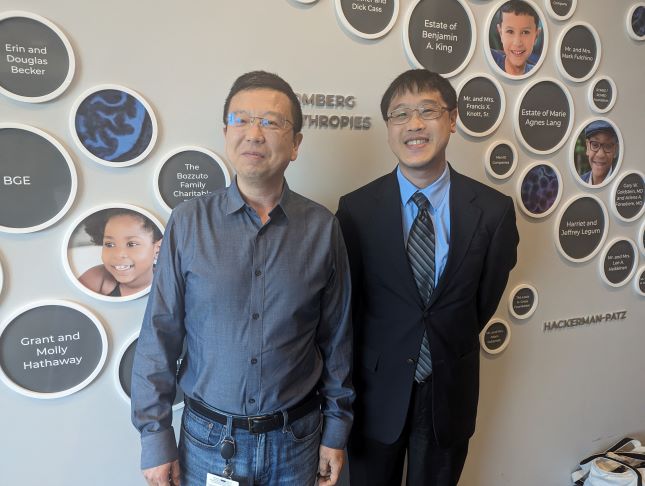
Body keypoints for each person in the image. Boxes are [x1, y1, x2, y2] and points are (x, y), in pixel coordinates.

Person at [131, 71, 354, 486]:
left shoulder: (323, 228)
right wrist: (155, 436)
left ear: (296, 144)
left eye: (271, 122)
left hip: (298, 439)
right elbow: (159, 335)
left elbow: (336, 339)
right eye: (241, 120)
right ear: (225, 133)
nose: (254, 133)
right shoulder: (188, 222)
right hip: (207, 441)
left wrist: (336, 431)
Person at [336, 69, 519, 486]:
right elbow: (349, 306)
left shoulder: (493, 212)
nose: (414, 125)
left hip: (448, 392)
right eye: (400, 114)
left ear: (452, 119)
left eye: (427, 111)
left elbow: (482, 302)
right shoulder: (356, 211)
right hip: (376, 394)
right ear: (388, 129)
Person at [78, 208, 162, 297]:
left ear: (157, 249)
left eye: (131, 244)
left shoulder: (168, 284)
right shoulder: (97, 278)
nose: (118, 254)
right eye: (109, 244)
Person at [491, 0, 541, 76]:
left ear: (536, 36)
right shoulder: (489, 60)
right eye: (510, 31)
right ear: (500, 33)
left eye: (525, 32)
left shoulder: (539, 74)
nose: (517, 43)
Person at [580, 120, 619, 186]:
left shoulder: (622, 186)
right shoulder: (579, 184)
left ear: (615, 150)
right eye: (595, 145)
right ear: (588, 147)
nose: (600, 155)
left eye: (608, 146)